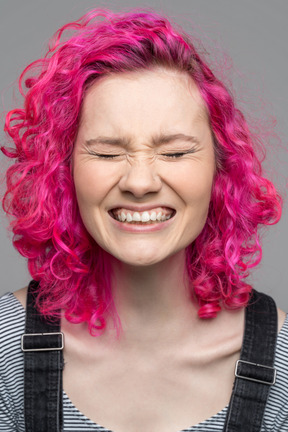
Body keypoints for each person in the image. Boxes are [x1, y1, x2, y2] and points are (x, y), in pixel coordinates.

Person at [0, 7, 287, 432]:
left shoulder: (281, 362)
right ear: (65, 170)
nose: (139, 182)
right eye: (107, 152)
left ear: (219, 170)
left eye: (174, 152)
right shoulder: (6, 354)